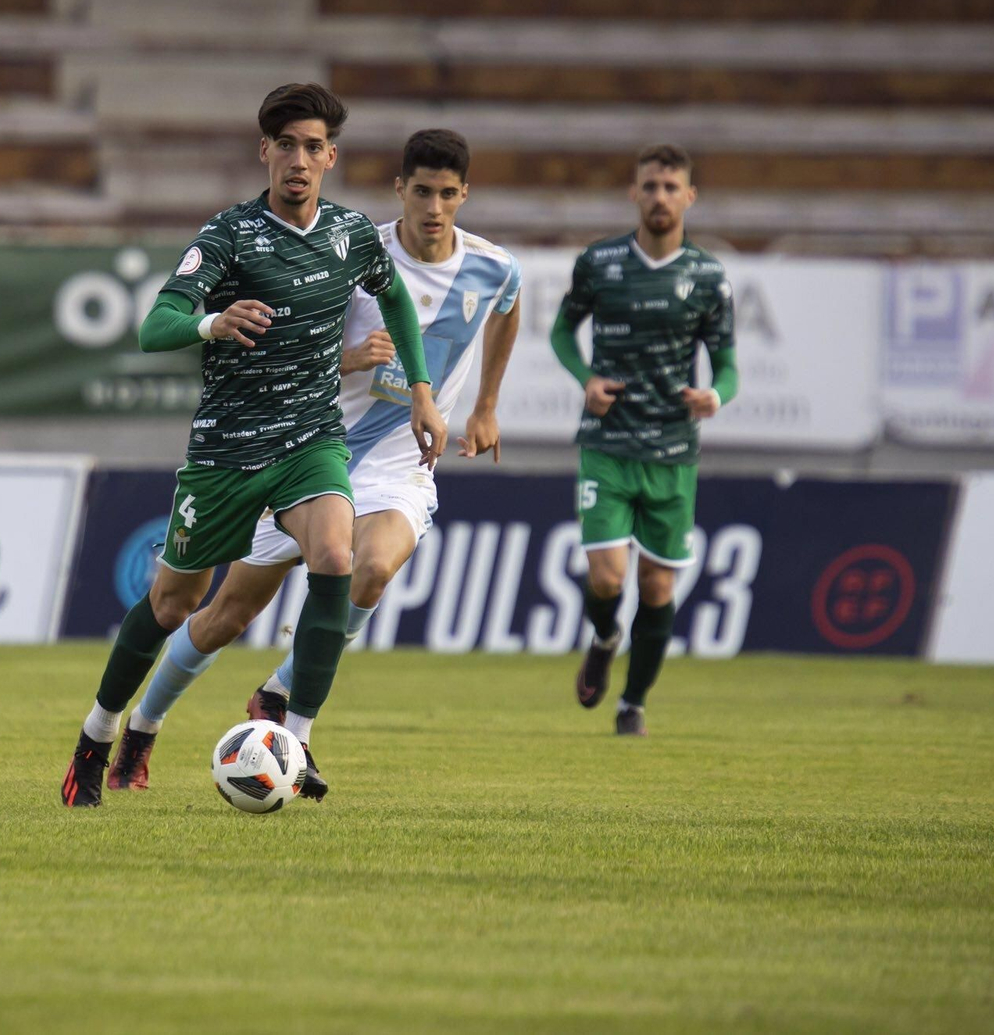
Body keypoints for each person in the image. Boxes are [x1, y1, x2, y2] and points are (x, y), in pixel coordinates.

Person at [61, 84, 446, 808]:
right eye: (286, 145)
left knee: (336, 558)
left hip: (311, 438)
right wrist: (210, 323)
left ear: (331, 156)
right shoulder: (229, 236)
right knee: (178, 604)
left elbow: (393, 293)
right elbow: (156, 325)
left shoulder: (352, 234)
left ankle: (294, 740)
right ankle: (99, 733)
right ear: (264, 151)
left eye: (313, 147)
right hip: (228, 449)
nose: (299, 160)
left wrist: (421, 389)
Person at [105, 128, 522, 793]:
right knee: (223, 616)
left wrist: (486, 406)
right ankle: (140, 732)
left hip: (393, 461)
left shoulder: (493, 267)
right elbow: (280, 345)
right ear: (400, 191)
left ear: (464, 195)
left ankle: (286, 716)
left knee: (372, 565)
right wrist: (347, 357)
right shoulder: (354, 249)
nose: (434, 208)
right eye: (422, 192)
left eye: (448, 195)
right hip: (304, 446)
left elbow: (507, 309)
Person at [550, 143, 737, 736]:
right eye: (650, 186)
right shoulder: (600, 262)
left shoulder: (707, 276)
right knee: (607, 578)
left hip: (674, 452)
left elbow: (726, 363)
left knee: (657, 586)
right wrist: (587, 379)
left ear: (689, 196)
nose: (660, 196)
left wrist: (716, 396)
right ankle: (605, 634)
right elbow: (561, 330)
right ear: (634, 193)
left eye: (670, 187)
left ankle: (632, 704)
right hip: (608, 443)